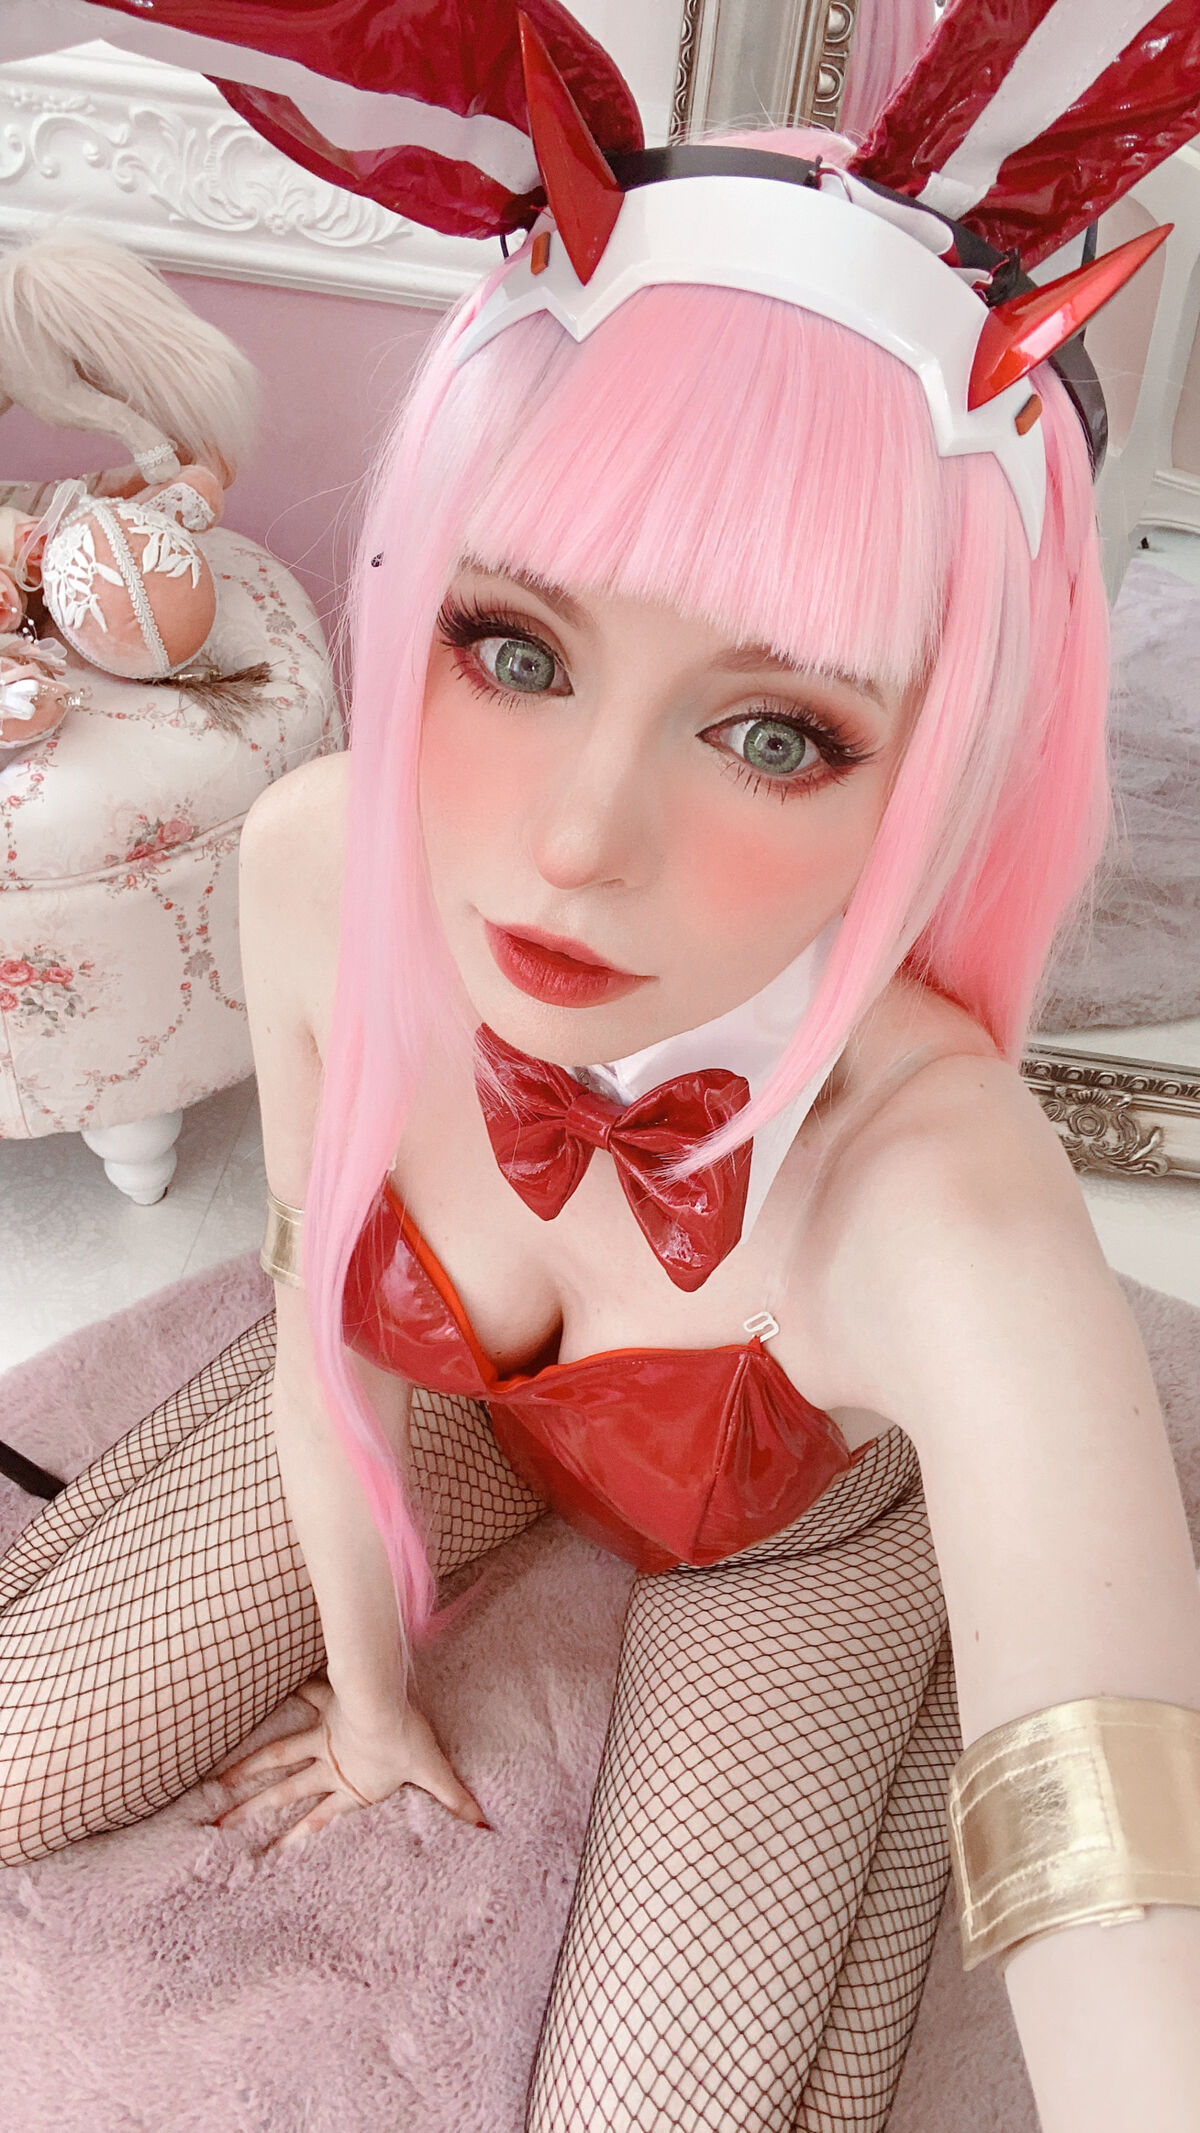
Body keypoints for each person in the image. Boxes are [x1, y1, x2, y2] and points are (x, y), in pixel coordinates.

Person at [3, 6, 1200, 2128]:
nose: (572, 840)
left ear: (932, 768)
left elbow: (1119, 1865)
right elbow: (318, 1316)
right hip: (478, 1418)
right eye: (517, 648)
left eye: (776, 730)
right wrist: (373, 1692)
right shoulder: (319, 861)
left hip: (786, 1538)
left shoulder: (941, 1187)